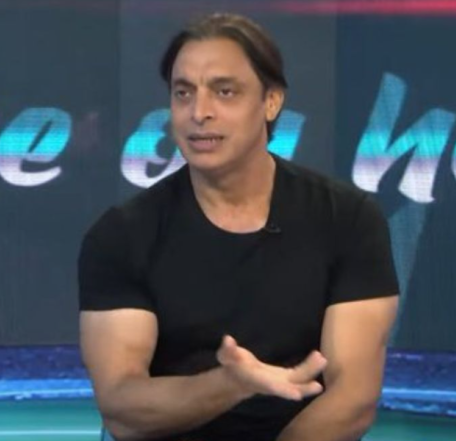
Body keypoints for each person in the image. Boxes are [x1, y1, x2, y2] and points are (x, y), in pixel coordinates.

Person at [78, 12, 399, 441]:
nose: (199, 112)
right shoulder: (121, 235)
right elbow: (123, 407)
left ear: (271, 101)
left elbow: (352, 400)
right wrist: (231, 384)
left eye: (224, 92)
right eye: (183, 93)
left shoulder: (348, 219)